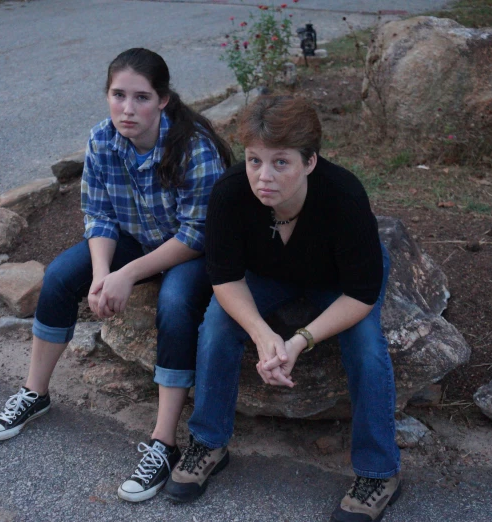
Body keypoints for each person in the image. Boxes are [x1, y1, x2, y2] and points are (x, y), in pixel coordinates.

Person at [0, 48, 233, 503]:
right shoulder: (102, 140)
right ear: (107, 96)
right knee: (59, 276)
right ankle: (35, 393)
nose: (127, 108)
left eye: (141, 97)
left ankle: (163, 441)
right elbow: (98, 215)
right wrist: (102, 275)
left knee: (175, 305)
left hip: (192, 250)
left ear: (163, 100)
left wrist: (129, 274)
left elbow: (197, 233)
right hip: (136, 236)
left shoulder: (195, 147)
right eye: (118, 95)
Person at [163, 96, 401, 522]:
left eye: (280, 163)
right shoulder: (231, 193)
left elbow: (361, 295)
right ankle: (209, 443)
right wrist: (262, 332)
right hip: (271, 273)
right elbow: (225, 279)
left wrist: (298, 341)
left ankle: (378, 472)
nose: (263, 176)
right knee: (218, 324)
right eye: (255, 160)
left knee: (365, 344)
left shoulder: (344, 196)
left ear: (310, 161)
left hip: (338, 280)